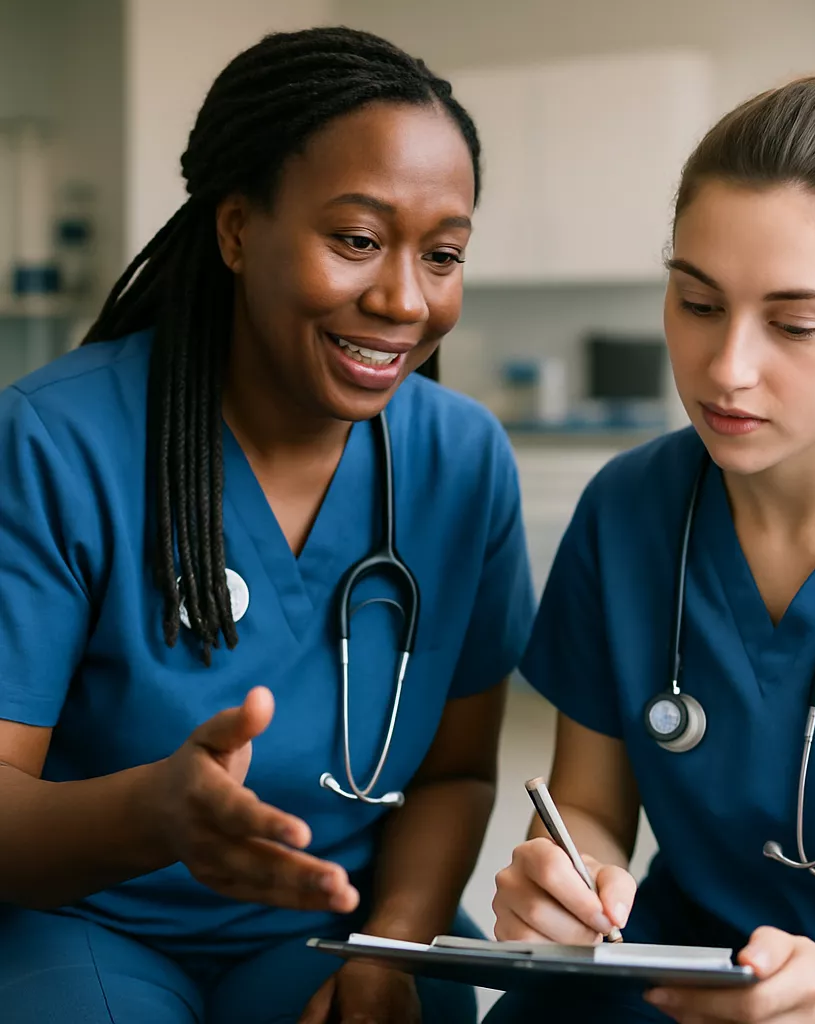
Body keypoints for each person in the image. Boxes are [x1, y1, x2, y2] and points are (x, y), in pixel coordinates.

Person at [0, 26, 534, 1024]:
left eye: (443, 253)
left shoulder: (460, 463)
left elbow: (457, 770)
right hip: (82, 919)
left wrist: (396, 942)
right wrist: (154, 813)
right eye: (357, 239)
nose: (401, 298)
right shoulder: (55, 441)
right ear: (238, 229)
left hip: (335, 924)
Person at [486, 75, 815, 1024]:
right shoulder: (630, 511)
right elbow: (593, 810)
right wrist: (563, 883)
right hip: (673, 984)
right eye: (698, 305)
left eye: (794, 324)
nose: (727, 368)